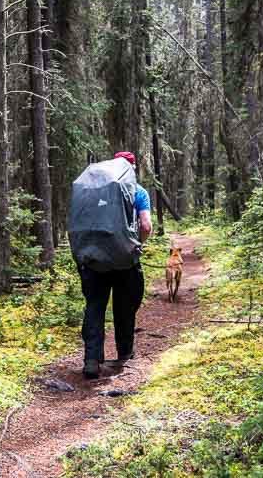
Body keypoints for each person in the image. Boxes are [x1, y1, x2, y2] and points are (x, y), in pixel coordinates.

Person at [78, 151, 152, 379]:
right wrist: (138, 245)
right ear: (132, 168)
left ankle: (91, 360)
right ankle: (124, 353)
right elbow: (146, 225)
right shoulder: (137, 191)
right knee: (125, 306)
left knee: (94, 307)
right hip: (124, 260)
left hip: (93, 259)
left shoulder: (92, 190)